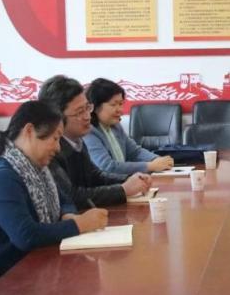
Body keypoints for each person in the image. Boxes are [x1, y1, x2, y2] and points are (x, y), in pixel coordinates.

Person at [0, 101, 108, 295]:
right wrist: (79, 224)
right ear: (29, 131)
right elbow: (26, 236)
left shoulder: (35, 169)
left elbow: (64, 199)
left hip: (14, 274)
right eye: (54, 138)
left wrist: (67, 214)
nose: (58, 147)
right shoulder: (0, 175)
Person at [38, 75, 151, 210]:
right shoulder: (50, 150)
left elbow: (95, 176)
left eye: (87, 108)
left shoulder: (77, 140)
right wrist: (123, 190)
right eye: (80, 112)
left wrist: (129, 179)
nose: (87, 116)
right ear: (57, 117)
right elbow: (72, 196)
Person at [83, 77, 175, 176]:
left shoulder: (116, 126)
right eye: (113, 105)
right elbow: (107, 167)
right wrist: (150, 166)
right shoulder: (88, 132)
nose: (120, 110)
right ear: (95, 106)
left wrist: (157, 159)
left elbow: (134, 152)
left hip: (123, 182)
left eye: (120, 104)